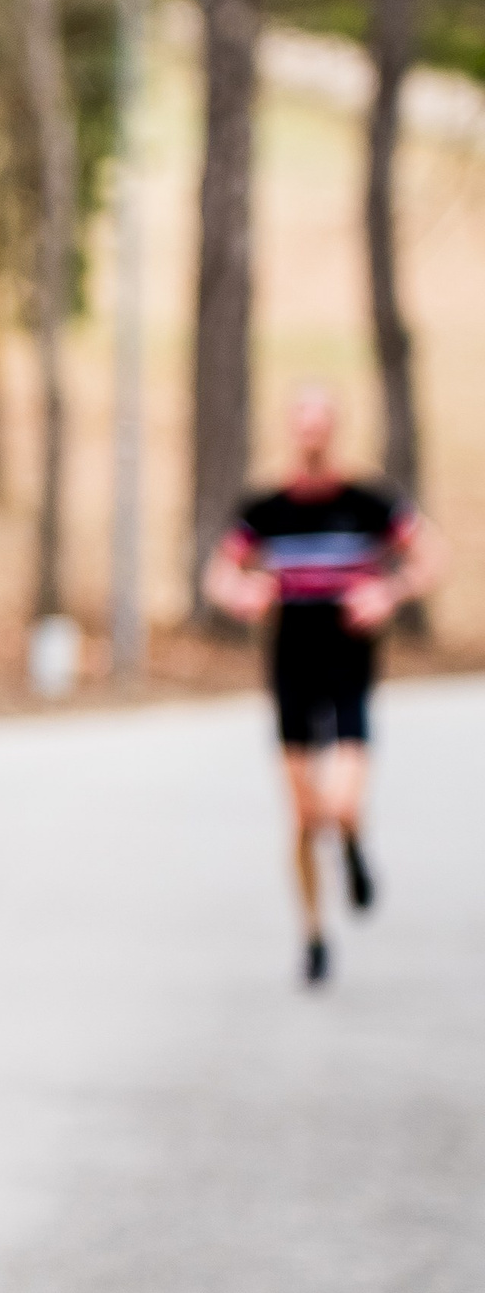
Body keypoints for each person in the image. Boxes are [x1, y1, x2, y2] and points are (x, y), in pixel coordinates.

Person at [202, 383, 442, 984]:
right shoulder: (267, 509)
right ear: (291, 430)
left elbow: (431, 556)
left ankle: (354, 846)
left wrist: (388, 592)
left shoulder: (368, 502)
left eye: (320, 424)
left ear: (335, 429)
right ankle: (313, 935)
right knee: (305, 818)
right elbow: (219, 574)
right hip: (291, 669)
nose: (311, 436)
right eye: (302, 424)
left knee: (342, 804)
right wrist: (244, 592)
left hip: (349, 668)